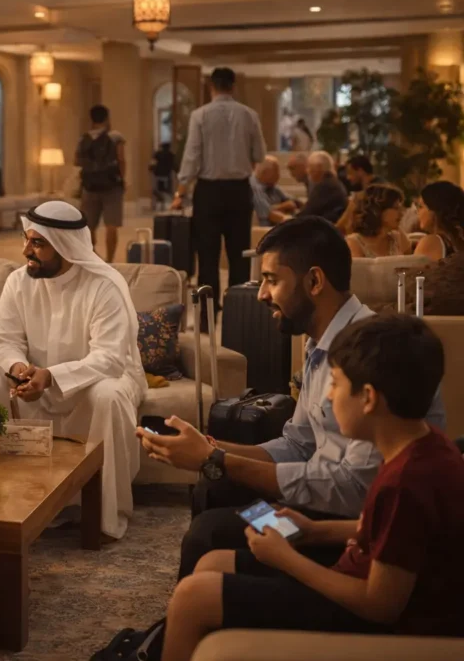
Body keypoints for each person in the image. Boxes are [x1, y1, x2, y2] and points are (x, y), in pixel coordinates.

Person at [135, 216, 445, 578]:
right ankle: (220, 605)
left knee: (210, 532)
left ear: (314, 281)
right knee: (215, 485)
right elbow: (299, 444)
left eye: (271, 280)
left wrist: (217, 458)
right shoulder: (321, 343)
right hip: (326, 503)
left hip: (352, 526)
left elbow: (355, 491)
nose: (262, 294)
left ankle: (207, 605)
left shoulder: (372, 356)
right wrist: (209, 449)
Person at [160, 315, 464, 661]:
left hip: (371, 617)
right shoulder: (427, 447)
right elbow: (389, 530)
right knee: (213, 560)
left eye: (334, 384)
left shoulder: (406, 482)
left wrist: (287, 559)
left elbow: (380, 605)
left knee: (193, 597)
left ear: (368, 398)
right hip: (354, 578)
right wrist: (314, 531)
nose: (329, 397)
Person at [0, 201, 147, 539]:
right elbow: (4, 341)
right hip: (35, 378)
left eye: (37, 243)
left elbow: (110, 358)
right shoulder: (18, 282)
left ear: (65, 246)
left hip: (101, 378)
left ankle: (102, 515)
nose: (26, 250)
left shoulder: (104, 286)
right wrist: (17, 367)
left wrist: (51, 376)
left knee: (108, 396)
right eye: (27, 239)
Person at [173, 67, 267, 325]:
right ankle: (238, 316)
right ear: (233, 87)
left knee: (207, 255)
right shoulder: (249, 115)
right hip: (239, 191)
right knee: (239, 255)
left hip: (208, 192)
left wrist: (180, 192)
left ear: (211, 87)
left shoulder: (200, 115)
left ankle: (206, 317)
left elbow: (192, 157)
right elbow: (259, 155)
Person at [75, 105, 126, 262]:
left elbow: (78, 162)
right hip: (112, 186)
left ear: (92, 119)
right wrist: (123, 179)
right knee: (112, 225)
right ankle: (110, 260)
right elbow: (121, 159)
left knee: (88, 225)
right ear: (107, 118)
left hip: (90, 187)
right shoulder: (116, 136)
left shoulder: (83, 138)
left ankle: (94, 257)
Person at [275, 152, 348, 224]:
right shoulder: (330, 182)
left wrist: (287, 219)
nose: (308, 171)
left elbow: (307, 212)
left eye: (310, 168)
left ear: (318, 168)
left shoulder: (325, 186)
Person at [345, 184, 410, 259]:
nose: (402, 213)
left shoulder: (399, 237)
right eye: (396, 208)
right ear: (377, 210)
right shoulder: (354, 243)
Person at [414, 180, 464, 261]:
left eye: (421, 206)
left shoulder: (431, 242)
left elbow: (415, 273)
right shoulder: (458, 240)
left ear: (435, 210)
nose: (417, 212)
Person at [250, 156, 295, 226]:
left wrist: (275, 207)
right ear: (265, 173)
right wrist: (289, 220)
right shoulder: (254, 188)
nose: (278, 176)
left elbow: (291, 203)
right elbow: (269, 214)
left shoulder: (271, 185)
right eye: (276, 172)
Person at [151, 143, 176, 211]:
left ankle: (158, 204)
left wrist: (151, 169)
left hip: (158, 174)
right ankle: (166, 204)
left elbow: (153, 163)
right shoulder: (171, 155)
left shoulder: (158, 154)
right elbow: (174, 165)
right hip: (167, 175)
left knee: (157, 189)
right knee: (167, 190)